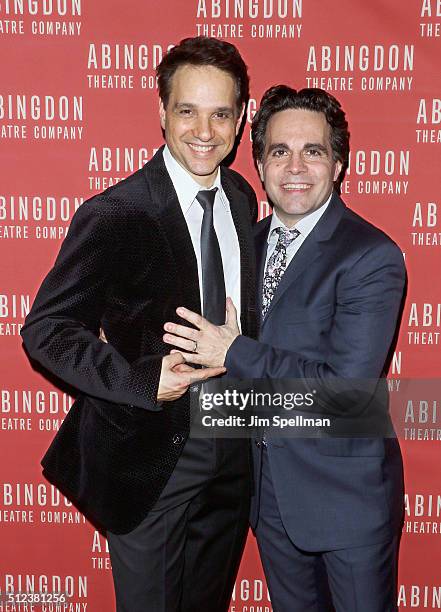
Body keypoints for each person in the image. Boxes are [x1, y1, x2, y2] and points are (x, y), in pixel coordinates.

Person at [20, 36, 258, 612]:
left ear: (242, 118)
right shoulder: (117, 213)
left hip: (234, 451)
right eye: (187, 111)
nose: (205, 131)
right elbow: (46, 329)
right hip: (151, 456)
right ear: (161, 112)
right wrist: (141, 381)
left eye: (221, 113)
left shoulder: (243, 197)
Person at [163, 86, 406, 612]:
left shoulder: (371, 256)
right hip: (269, 501)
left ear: (338, 164)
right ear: (259, 163)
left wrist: (236, 353)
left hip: (348, 504)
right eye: (279, 151)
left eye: (313, 151)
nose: (295, 167)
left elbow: (343, 392)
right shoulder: (241, 246)